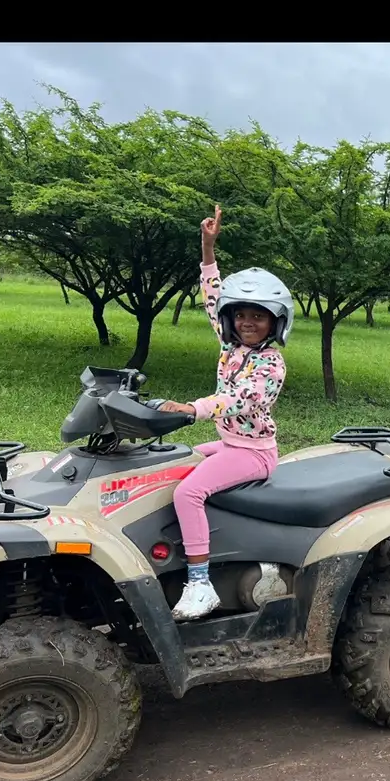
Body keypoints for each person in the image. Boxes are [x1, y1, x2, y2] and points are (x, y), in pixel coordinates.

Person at [161, 205, 294, 621]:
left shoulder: (271, 363)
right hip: (227, 443)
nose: (248, 322)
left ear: (275, 323)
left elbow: (241, 398)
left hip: (253, 453)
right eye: (241, 314)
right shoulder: (229, 345)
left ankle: (200, 584)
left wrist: (194, 408)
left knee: (188, 491)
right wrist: (208, 246)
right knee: (175, 462)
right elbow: (212, 295)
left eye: (258, 316)